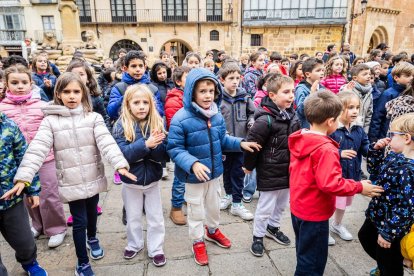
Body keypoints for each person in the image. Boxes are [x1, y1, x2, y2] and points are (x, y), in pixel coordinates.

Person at [12, 72, 135, 276]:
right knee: (79, 222)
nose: (71, 96)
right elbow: (37, 149)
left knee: (92, 214)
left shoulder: (93, 118)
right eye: (66, 91)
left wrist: (120, 164)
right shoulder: (50, 121)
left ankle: (93, 238)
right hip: (71, 182)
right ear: (58, 94)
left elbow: (107, 142)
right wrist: (24, 176)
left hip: (93, 176)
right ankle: (82, 263)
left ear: (83, 93)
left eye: (76, 91)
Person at [167, 68, 261, 266]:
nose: (208, 95)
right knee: (195, 211)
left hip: (215, 173)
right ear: (192, 92)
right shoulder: (180, 118)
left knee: (213, 208)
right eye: (202, 91)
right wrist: (192, 163)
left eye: (211, 90)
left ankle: (211, 231)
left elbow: (222, 139)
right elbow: (174, 149)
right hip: (193, 177)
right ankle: (198, 240)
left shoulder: (216, 115)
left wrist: (240, 143)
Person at [288, 90, 384, 276]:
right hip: (315, 213)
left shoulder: (302, 137)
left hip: (299, 207)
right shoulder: (326, 149)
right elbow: (330, 184)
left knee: (304, 252)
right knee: (313, 262)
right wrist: (359, 186)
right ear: (330, 121)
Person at [0, 65, 67, 248]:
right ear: (6, 85)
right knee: (28, 196)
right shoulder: (2, 109)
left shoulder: (41, 106)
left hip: (45, 158)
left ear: (31, 84)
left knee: (50, 193)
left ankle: (56, 228)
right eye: (14, 83)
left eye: (24, 82)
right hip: (18, 162)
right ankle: (37, 225)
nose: (19, 86)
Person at [246, 74, 301, 257]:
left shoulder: (292, 114)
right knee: (265, 207)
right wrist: (248, 166)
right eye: (286, 92)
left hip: (288, 170)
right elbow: (253, 145)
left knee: (282, 204)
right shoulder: (265, 119)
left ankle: (273, 227)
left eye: (292, 91)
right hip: (269, 170)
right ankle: (258, 236)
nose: (291, 95)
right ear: (272, 95)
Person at [113, 84, 167, 266]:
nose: (142, 106)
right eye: (137, 102)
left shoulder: (158, 122)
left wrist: (156, 145)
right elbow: (123, 155)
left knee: (156, 217)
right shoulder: (121, 125)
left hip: (152, 180)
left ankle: (156, 248)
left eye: (145, 102)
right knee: (133, 217)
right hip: (130, 181)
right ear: (128, 104)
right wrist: (146, 145)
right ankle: (134, 243)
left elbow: (162, 157)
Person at [358, 113, 414, 276]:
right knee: (365, 237)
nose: (388, 138)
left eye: (392, 134)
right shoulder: (395, 156)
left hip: (392, 225)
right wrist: (376, 152)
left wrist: (389, 233)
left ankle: (388, 269)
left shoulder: (409, 170)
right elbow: (375, 173)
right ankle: (386, 266)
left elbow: (407, 207)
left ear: (406, 138)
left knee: (388, 259)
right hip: (378, 214)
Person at [0, 111, 47, 276]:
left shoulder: (8, 126)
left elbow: (24, 158)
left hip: (10, 200)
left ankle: (29, 263)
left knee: (25, 242)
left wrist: (33, 188)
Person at [329, 91, 369, 245]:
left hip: (351, 174)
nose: (355, 111)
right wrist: (339, 153)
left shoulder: (358, 128)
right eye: (350, 107)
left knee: (343, 202)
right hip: (335, 175)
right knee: (330, 202)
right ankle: (323, 228)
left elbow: (365, 146)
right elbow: (323, 149)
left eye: (357, 107)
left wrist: (375, 148)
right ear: (339, 108)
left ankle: (337, 224)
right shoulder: (333, 129)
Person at [218, 62, 255, 220]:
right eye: (231, 78)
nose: (235, 81)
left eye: (237, 78)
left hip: (241, 143)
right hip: (225, 144)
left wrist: (251, 121)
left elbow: (252, 113)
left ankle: (237, 203)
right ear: (222, 80)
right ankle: (228, 195)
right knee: (226, 172)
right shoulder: (218, 99)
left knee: (238, 173)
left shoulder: (245, 97)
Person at [164, 66, 191, 225]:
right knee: (180, 177)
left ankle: (186, 198)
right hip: (181, 144)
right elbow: (175, 124)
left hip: (193, 142)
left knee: (191, 175)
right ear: (178, 81)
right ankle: (176, 207)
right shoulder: (174, 99)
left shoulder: (192, 96)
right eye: (187, 78)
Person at [369, 62, 414, 142]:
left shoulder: (411, 93)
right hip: (388, 135)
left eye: (412, 76)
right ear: (396, 77)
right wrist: (374, 139)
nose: (411, 78)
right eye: (407, 76)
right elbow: (377, 117)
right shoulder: (388, 94)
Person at [341, 64, 373, 133]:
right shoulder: (348, 88)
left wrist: (365, 132)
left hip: (360, 130)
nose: (368, 76)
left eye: (369, 74)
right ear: (355, 78)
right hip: (346, 129)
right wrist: (346, 92)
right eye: (364, 74)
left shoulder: (369, 92)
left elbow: (369, 114)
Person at [294, 57, 325, 128]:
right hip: (306, 126)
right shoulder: (301, 88)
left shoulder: (322, 88)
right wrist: (311, 95)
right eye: (318, 70)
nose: (322, 73)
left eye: (323, 70)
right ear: (308, 74)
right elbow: (301, 111)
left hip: (318, 125)